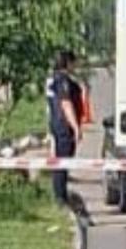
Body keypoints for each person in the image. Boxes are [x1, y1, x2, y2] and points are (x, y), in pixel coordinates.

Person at [45, 50, 83, 205]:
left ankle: (60, 194)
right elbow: (66, 104)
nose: (75, 66)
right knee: (62, 163)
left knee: (60, 162)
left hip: (56, 125)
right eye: (74, 62)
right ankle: (60, 198)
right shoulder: (63, 82)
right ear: (68, 63)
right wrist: (75, 127)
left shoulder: (52, 80)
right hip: (63, 127)